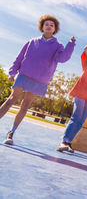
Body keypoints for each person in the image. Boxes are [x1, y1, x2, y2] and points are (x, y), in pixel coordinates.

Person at [0, 15, 75, 145]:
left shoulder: (58, 45)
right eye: (47, 24)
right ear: (42, 26)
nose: (49, 26)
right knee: (10, 100)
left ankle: (11, 133)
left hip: (40, 81)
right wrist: (12, 71)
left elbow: (62, 59)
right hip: (24, 75)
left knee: (25, 106)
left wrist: (71, 44)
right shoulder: (32, 41)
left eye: (52, 25)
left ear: (54, 29)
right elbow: (20, 57)